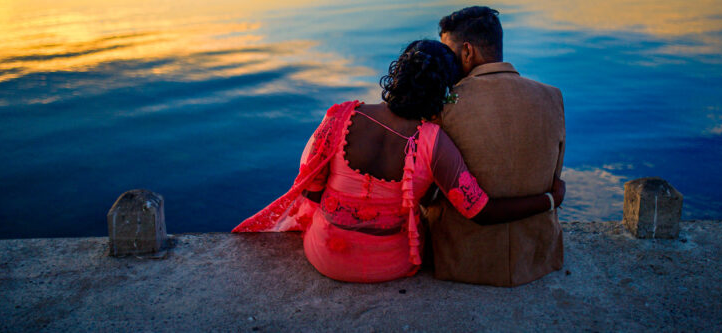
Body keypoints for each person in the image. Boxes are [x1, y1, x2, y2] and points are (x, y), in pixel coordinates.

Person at [233, 39, 565, 283]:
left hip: (326, 253)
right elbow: (480, 211)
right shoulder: (434, 142)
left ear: (397, 73)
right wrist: (550, 199)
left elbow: (312, 189)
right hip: (390, 266)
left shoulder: (339, 117)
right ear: (446, 91)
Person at [425, 7, 566, 286]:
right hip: (537, 256)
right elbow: (554, 175)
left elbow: (428, 189)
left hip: (461, 259)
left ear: (467, 52)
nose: (445, 62)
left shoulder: (444, 106)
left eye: (448, 53)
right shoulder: (552, 97)